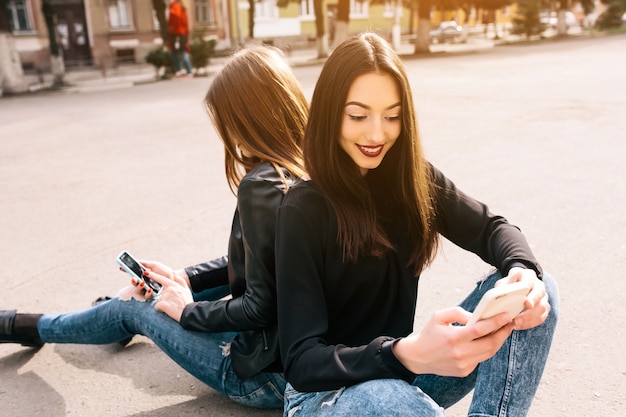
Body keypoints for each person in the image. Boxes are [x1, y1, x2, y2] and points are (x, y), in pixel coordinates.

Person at [0, 45, 309, 409]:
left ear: (245, 120)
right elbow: (267, 267)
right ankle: (105, 316)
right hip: (301, 355)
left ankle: (25, 325)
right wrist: (186, 278)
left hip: (264, 377)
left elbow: (261, 307)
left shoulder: (262, 184)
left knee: (132, 306)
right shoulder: (312, 167)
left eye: (227, 122)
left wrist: (186, 310)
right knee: (153, 292)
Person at [275, 32, 559, 417]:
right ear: (329, 113)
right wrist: (403, 352)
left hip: (404, 373)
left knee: (539, 292)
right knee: (390, 400)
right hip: (324, 396)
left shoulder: (411, 181)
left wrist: (523, 271)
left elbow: (492, 229)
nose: (377, 134)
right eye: (358, 115)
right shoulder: (302, 208)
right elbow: (302, 361)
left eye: (392, 117)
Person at [167, 0, 193, 77]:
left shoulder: (175, 6)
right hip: (182, 34)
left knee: (176, 52)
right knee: (181, 52)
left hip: (177, 34)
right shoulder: (182, 7)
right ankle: (187, 71)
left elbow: (175, 17)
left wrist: (171, 7)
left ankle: (182, 71)